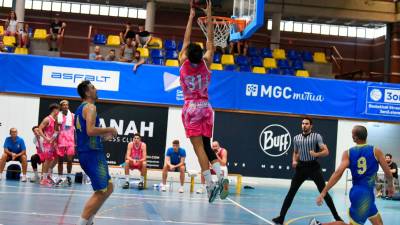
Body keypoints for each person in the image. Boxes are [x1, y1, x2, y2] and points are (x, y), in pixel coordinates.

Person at [179, 0, 229, 203]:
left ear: (188, 55)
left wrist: (191, 16)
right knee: (208, 146)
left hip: (191, 107)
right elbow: (211, 40)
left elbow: (186, 39)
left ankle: (209, 185)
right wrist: (208, 15)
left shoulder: (182, 61)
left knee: (198, 148)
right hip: (206, 107)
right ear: (201, 56)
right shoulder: (207, 62)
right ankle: (222, 176)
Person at [309, 126, 394, 225]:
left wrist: (323, 192)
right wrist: (391, 186)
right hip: (364, 196)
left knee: (379, 223)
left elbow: (338, 173)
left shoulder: (348, 153)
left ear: (355, 138)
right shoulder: (376, 151)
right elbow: (388, 173)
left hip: (361, 194)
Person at [272, 118, 342, 225]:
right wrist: (294, 160)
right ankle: (281, 217)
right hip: (301, 168)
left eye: (307, 124)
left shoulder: (316, 136)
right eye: (303, 123)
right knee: (291, 193)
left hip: (313, 167)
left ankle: (337, 218)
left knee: (324, 192)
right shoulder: (296, 138)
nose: (304, 125)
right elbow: (295, 152)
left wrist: (316, 154)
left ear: (311, 126)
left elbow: (326, 152)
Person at [75, 80, 117, 225]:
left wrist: (104, 137)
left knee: (109, 188)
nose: (96, 89)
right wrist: (110, 129)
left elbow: (89, 135)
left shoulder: (81, 109)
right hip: (91, 154)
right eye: (93, 87)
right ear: (87, 92)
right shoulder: (90, 107)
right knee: (101, 191)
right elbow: (90, 130)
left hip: (90, 152)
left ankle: (89, 220)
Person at [38, 103, 60, 186]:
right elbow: (40, 129)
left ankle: (45, 178)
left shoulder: (55, 120)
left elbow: (55, 132)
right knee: (47, 161)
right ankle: (43, 179)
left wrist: (54, 141)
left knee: (50, 160)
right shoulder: (47, 119)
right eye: (58, 109)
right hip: (47, 143)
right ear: (54, 110)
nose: (59, 111)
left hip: (52, 143)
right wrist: (45, 138)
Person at [55, 100, 75, 186]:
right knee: (60, 160)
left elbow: (76, 128)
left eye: (67, 105)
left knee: (70, 160)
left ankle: (69, 177)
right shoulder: (58, 116)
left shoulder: (73, 116)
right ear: (61, 107)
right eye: (64, 105)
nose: (65, 106)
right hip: (61, 140)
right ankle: (59, 178)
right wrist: (57, 123)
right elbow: (56, 129)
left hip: (70, 140)